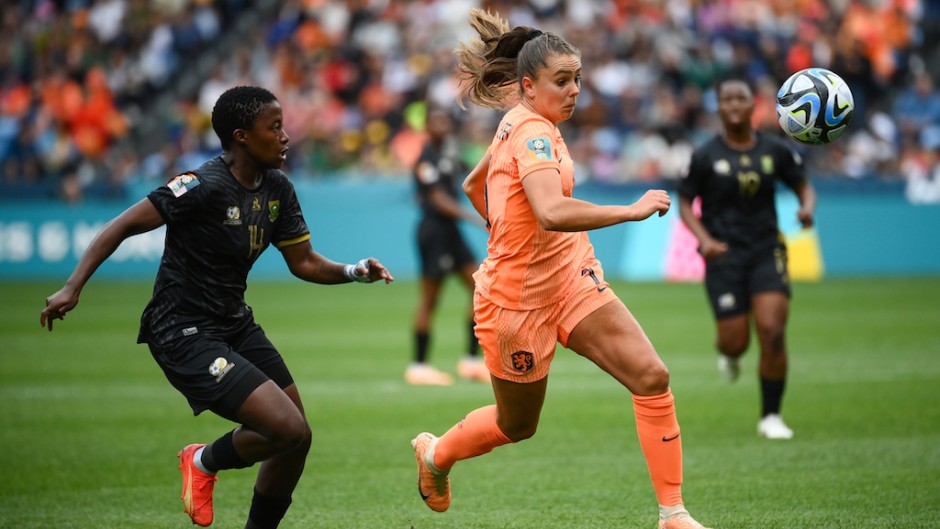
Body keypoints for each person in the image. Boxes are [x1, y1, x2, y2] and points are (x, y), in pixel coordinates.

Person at [410, 10, 712, 529]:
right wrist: (629, 210)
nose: (575, 91)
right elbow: (551, 211)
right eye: (562, 81)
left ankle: (673, 514)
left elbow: (471, 184)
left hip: (573, 280)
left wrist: (505, 228)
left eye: (578, 79)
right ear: (529, 85)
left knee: (651, 376)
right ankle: (436, 455)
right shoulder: (531, 132)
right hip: (515, 305)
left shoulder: (527, 122)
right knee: (517, 424)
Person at [40, 86, 394, 528]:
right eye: (275, 127)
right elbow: (124, 224)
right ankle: (202, 460)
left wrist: (353, 270)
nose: (286, 137)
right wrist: (73, 287)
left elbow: (302, 261)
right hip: (182, 330)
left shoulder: (278, 188)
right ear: (242, 136)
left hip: (233, 324)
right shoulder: (202, 185)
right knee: (286, 429)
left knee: (296, 439)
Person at [677, 75, 816, 440]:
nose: (735, 104)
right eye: (727, 99)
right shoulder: (705, 156)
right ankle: (730, 354)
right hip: (723, 255)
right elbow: (686, 204)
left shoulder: (775, 151)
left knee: (771, 332)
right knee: (734, 340)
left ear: (754, 104)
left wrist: (806, 210)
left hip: (766, 250)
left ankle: (771, 415)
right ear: (719, 107)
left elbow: (804, 187)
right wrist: (704, 240)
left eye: (741, 98)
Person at [407, 105, 489, 386]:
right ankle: (418, 366)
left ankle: (470, 360)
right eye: (436, 121)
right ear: (427, 128)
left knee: (481, 288)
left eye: (445, 120)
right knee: (431, 298)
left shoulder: (451, 151)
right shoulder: (425, 160)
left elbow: (472, 171)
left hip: (451, 232)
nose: (442, 125)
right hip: (434, 232)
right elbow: (438, 199)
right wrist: (476, 218)